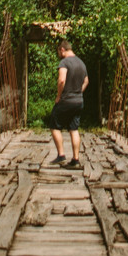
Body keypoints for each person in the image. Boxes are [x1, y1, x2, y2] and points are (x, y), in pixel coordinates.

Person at [50, 39, 88, 168]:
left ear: (62, 49)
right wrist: (78, 92)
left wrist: (58, 96)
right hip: (78, 100)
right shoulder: (81, 63)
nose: (59, 54)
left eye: (58, 52)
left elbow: (61, 80)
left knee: (54, 125)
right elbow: (86, 81)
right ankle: (76, 159)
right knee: (74, 128)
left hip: (66, 100)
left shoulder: (64, 62)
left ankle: (61, 155)